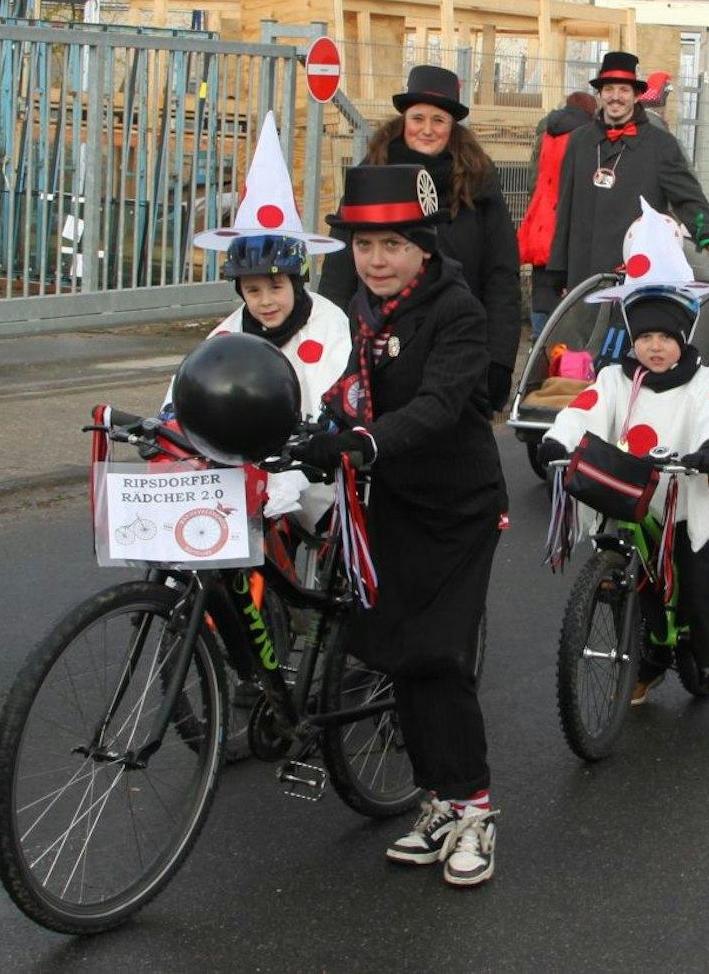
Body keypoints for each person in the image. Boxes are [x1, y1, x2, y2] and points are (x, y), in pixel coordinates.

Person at [296, 164, 507, 887]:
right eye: (363, 245)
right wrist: (317, 430)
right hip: (391, 501)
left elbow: (441, 407)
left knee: (440, 656)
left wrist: (364, 440)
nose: (376, 259)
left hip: (457, 508)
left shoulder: (459, 311)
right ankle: (438, 799)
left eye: (391, 244)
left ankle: (474, 805)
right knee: (399, 656)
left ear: (422, 247)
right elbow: (337, 387)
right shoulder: (357, 308)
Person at [538, 211, 709, 697]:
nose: (654, 348)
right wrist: (560, 439)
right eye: (644, 337)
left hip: (684, 494)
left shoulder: (708, 382)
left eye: (665, 337)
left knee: (699, 570)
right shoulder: (617, 379)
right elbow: (585, 409)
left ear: (683, 338)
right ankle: (646, 660)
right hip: (631, 493)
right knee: (628, 583)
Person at [320, 64, 521, 412]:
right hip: (379, 346)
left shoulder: (479, 183)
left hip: (455, 343)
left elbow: (501, 275)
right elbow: (339, 270)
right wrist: (333, 344)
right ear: (404, 121)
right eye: (418, 119)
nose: (427, 130)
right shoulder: (372, 177)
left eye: (438, 120)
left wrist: (500, 361)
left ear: (452, 127)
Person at [181, 131, 351, 527]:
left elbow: (340, 391)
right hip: (241, 473)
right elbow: (191, 387)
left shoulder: (328, 323)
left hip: (315, 480)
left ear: (296, 282)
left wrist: (324, 430)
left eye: (276, 287)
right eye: (252, 291)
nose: (265, 301)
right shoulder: (228, 334)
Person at [547, 51, 709, 305]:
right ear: (600, 94)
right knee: (583, 344)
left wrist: (708, 234)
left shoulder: (660, 144)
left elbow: (688, 198)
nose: (615, 97)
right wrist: (558, 269)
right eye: (609, 89)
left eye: (623, 89)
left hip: (636, 272)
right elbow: (564, 206)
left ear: (635, 95)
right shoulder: (579, 140)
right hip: (584, 272)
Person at [521, 92, 598, 336]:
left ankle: (538, 341)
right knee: (572, 287)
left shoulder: (547, 132)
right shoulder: (588, 135)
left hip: (541, 217)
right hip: (569, 220)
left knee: (542, 283)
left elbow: (533, 179)